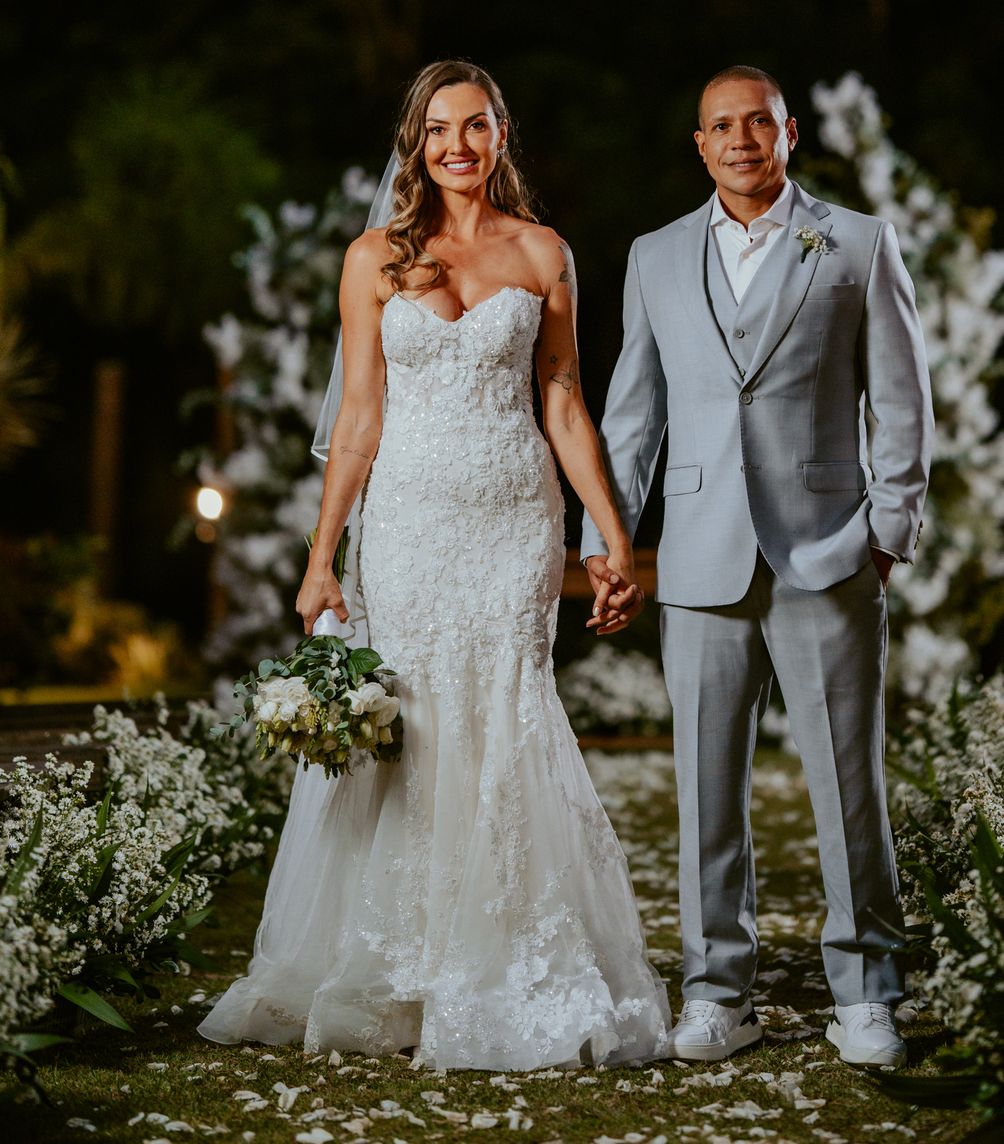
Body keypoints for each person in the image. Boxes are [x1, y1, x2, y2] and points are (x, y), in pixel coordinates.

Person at [200, 59, 668, 1068]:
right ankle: (397, 962)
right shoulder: (373, 258)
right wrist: (322, 557)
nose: (459, 144)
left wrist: (612, 536)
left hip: (514, 522)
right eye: (440, 128)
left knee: (507, 708)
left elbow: (563, 400)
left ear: (501, 136)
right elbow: (359, 417)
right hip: (407, 524)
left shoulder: (544, 252)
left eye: (477, 125)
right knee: (412, 724)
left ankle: (502, 955)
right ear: (416, 143)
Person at [580, 65, 933, 1068]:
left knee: (849, 787)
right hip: (699, 556)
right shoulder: (654, 255)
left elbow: (902, 397)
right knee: (704, 790)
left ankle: (867, 992)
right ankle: (717, 994)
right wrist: (609, 544)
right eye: (721, 126)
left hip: (829, 550)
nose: (741, 140)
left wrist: (888, 530)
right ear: (700, 145)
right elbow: (632, 415)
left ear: (789, 133)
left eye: (758, 123)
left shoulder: (857, 242)